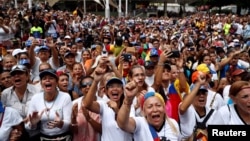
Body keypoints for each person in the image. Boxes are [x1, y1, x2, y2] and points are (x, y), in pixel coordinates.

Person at [83, 64, 134, 141]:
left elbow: (129, 126)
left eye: (118, 86)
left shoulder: (129, 106)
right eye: (111, 86)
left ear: (123, 90)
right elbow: (87, 104)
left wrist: (117, 111)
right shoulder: (103, 105)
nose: (115, 89)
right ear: (106, 91)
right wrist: (96, 81)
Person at [25, 69, 72, 141]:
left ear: (56, 83)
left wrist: (60, 123)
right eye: (44, 79)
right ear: (41, 84)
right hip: (43, 137)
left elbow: (69, 123)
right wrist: (33, 124)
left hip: (63, 137)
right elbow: (28, 126)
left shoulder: (65, 97)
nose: (47, 80)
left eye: (51, 78)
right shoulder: (35, 98)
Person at [178, 71, 218, 141]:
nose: (201, 96)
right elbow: (182, 108)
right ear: (192, 96)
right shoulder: (188, 110)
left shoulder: (214, 113)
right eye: (198, 93)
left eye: (203, 93)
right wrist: (198, 84)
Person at [71, 76, 102, 141]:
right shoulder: (75, 104)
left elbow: (103, 130)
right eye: (84, 86)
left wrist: (89, 118)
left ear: (96, 87)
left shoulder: (103, 104)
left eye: (91, 85)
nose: (88, 87)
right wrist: (73, 118)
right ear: (81, 89)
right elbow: (73, 131)